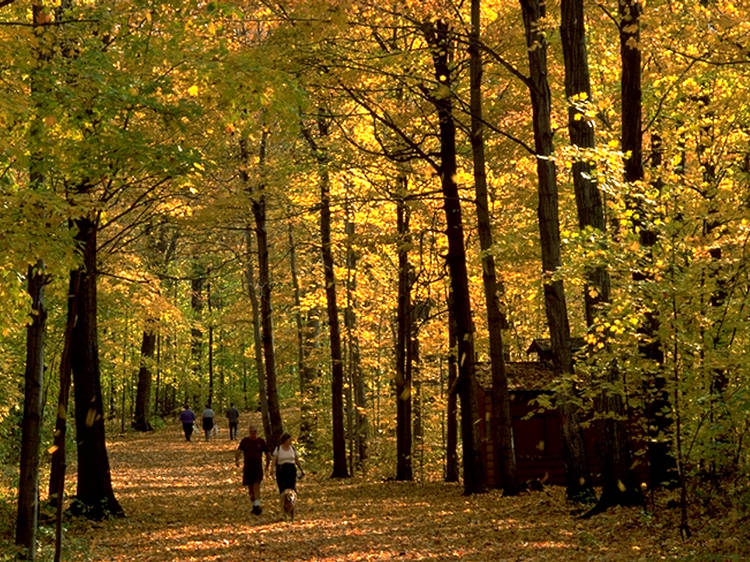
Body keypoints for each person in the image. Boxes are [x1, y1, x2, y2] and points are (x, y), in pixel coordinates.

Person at [235, 425, 270, 515]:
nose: (253, 434)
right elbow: (239, 451)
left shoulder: (261, 441)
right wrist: (237, 460)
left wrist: (267, 465)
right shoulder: (245, 441)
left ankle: (257, 506)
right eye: (251, 432)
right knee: (251, 490)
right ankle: (254, 505)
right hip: (248, 468)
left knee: (256, 486)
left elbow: (267, 453)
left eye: (254, 432)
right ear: (249, 432)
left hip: (257, 467)